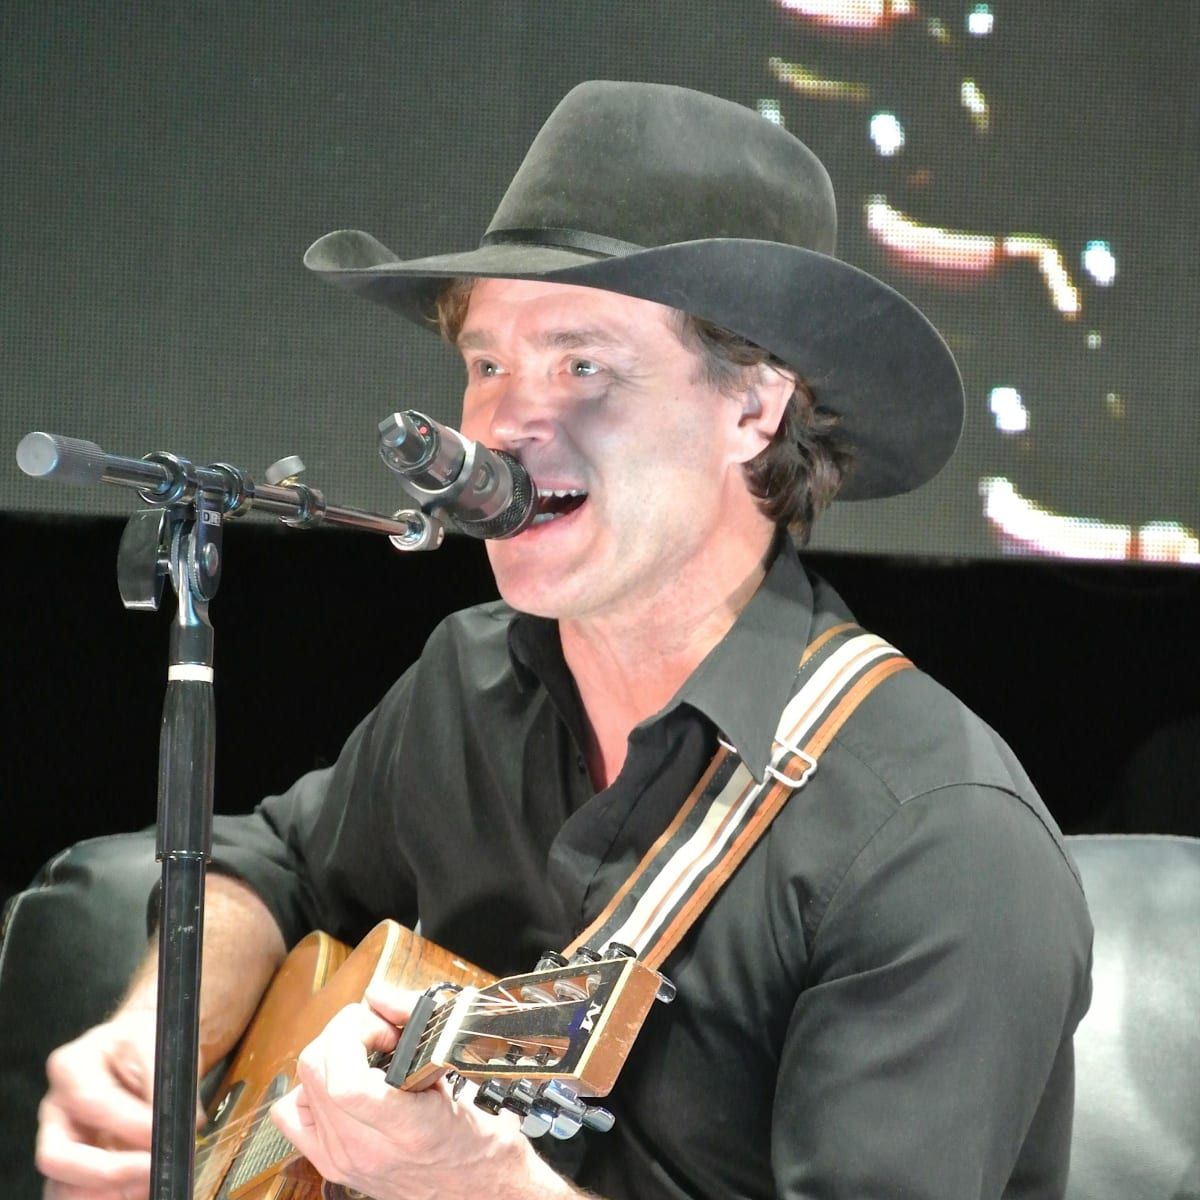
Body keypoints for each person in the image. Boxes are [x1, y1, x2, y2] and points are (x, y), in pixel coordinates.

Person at [35, 81, 1092, 1200]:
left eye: (582, 365)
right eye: (488, 364)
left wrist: (485, 1188)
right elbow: (277, 864)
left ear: (755, 410)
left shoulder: (940, 843)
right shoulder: (468, 680)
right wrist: (156, 1046)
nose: (496, 426)